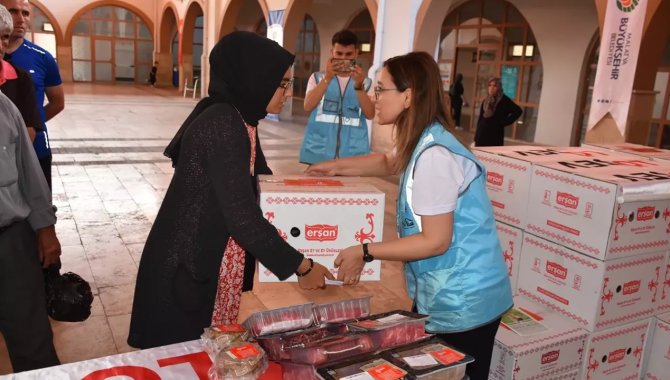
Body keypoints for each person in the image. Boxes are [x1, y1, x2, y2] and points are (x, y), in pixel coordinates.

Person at [306, 52, 513, 380]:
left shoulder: (434, 157)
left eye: (381, 89)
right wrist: (333, 167)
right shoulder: (423, 138)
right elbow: (390, 162)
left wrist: (365, 251)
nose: (375, 97)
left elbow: (435, 241)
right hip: (446, 290)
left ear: (408, 95)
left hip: (466, 300)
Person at [128, 31, 334, 350]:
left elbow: (245, 186)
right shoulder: (225, 125)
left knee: (208, 352)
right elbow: (243, 218)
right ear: (254, 80)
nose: (286, 93)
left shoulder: (240, 118)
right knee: (186, 359)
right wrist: (301, 266)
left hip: (201, 259)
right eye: (281, 84)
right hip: (185, 268)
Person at [0, 91, 61, 372]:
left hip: (10, 239)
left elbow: (28, 168)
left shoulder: (4, 106)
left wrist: (45, 227)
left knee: (33, 343)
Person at [1, 0, 64, 189]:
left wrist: (30, 123)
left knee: (40, 206)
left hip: (36, 148)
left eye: (26, 13)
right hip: (3, 151)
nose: (20, 19)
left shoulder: (42, 57)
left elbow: (57, 103)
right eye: (13, 12)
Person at [299, 30, 375, 164]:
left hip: (352, 153)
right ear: (332, 52)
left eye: (348, 54)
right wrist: (327, 78)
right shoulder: (317, 78)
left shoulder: (366, 83)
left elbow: (370, 114)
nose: (343, 58)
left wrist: (359, 86)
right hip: (319, 151)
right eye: (339, 53)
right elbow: (307, 106)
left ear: (356, 53)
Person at [0, 4, 40, 142]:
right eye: (14, 11)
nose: (0, 46)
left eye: (5, 37)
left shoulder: (21, 78)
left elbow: (29, 129)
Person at [473, 77, 522, 147]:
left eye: (494, 86)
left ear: (499, 87)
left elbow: (518, 111)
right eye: (490, 85)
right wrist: (476, 135)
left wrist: (505, 122)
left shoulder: (504, 100)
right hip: (482, 133)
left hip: (495, 135)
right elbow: (481, 118)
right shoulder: (486, 100)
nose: (491, 88)